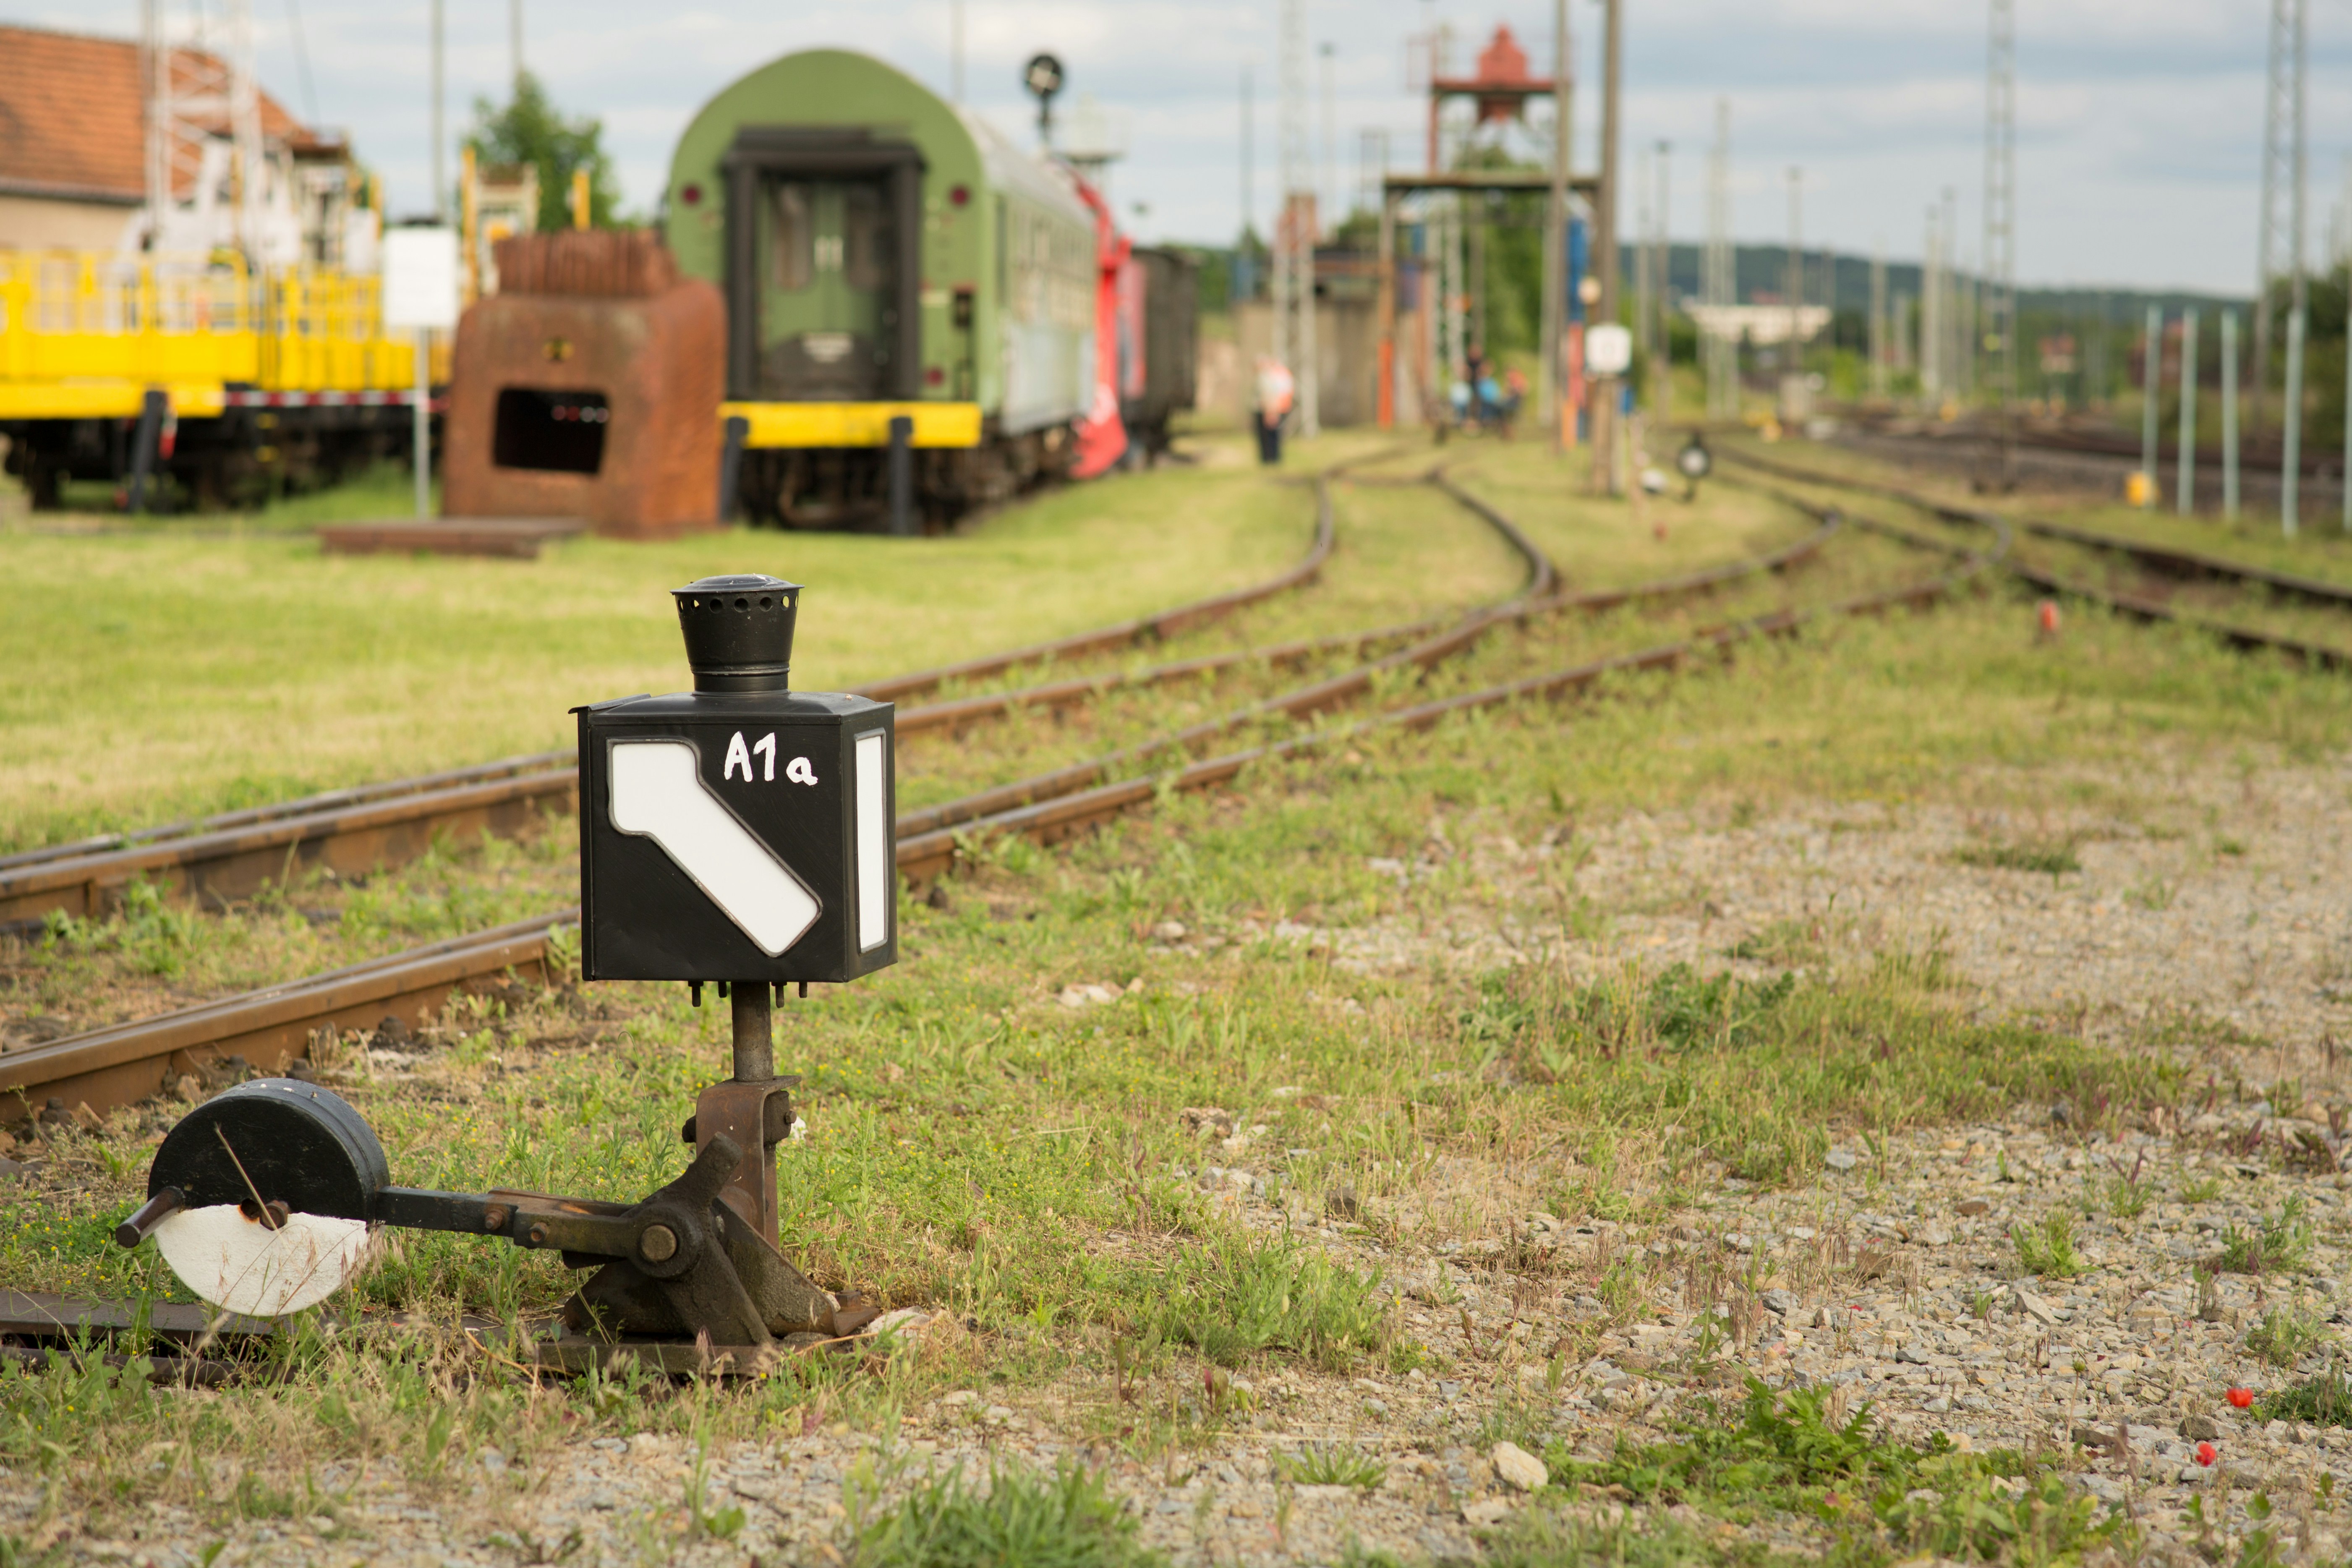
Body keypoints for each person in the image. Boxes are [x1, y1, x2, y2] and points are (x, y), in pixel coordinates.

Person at [1254, 355, 1295, 465]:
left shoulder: (1270, 377)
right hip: (1276, 409)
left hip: (1272, 410)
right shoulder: (1272, 376)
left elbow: (1270, 395)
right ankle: (1272, 459)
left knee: (1271, 437)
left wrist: (1271, 412)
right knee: (1272, 436)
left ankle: (1271, 459)